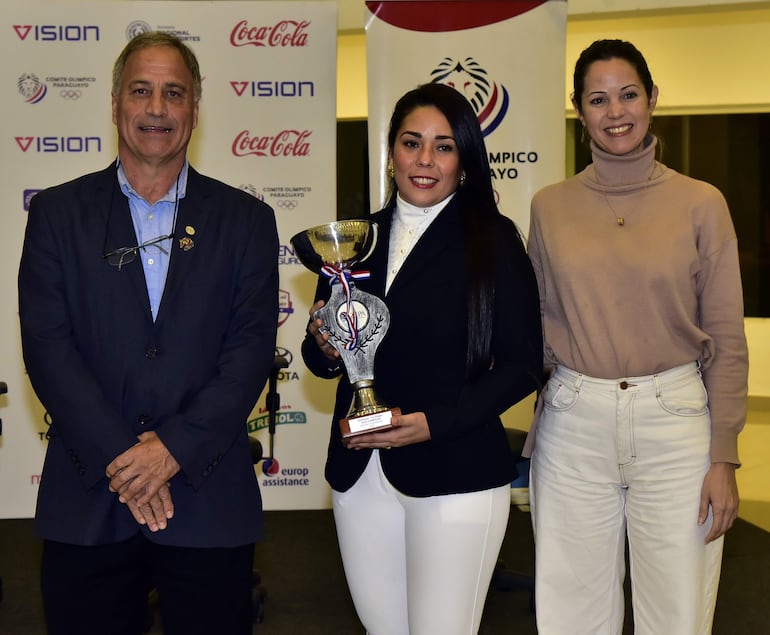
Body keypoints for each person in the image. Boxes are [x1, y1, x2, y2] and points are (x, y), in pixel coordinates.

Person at [18, 32, 278, 635]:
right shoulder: (57, 215)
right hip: (88, 498)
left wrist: (172, 451)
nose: (157, 108)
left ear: (194, 108)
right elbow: (49, 350)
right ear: (115, 103)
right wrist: (126, 459)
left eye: (173, 93)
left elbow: (248, 354)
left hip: (207, 494)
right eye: (141, 91)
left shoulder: (246, 221)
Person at [301, 82, 542, 635]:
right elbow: (327, 363)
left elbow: (522, 364)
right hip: (360, 475)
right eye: (412, 143)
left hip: (454, 471)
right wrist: (321, 344)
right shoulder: (352, 241)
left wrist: (434, 424)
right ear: (391, 153)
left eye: (443, 145)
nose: (425, 160)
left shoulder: (494, 241)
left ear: (465, 159)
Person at [525, 39, 749, 634]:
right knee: (570, 611)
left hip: (675, 423)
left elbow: (726, 336)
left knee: (677, 612)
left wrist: (723, 455)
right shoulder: (550, 206)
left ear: (652, 99)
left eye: (628, 94)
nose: (615, 111)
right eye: (597, 99)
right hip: (574, 423)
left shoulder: (703, 204)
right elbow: (537, 322)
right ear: (578, 109)